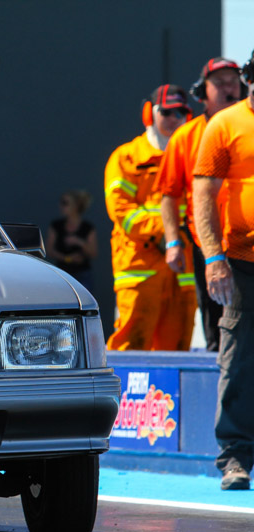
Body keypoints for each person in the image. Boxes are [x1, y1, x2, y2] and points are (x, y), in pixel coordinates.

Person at [192, 49, 254, 490]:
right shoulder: (225, 125)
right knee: (238, 360)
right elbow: (204, 195)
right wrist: (213, 258)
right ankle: (235, 457)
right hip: (242, 263)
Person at [155, 58, 244, 352]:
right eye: (219, 83)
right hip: (208, 245)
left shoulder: (248, 127)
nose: (228, 88)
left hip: (247, 240)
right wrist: (172, 242)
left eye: (233, 82)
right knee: (216, 321)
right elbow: (169, 194)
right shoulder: (185, 137)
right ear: (202, 92)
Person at [104, 84, 192, 351]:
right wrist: (167, 232)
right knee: (131, 343)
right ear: (148, 113)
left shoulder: (191, 158)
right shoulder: (126, 158)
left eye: (180, 113)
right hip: (139, 268)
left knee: (177, 348)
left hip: (181, 271)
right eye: (166, 112)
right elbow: (122, 212)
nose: (174, 119)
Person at [45, 190, 97, 293]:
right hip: (62, 274)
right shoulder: (56, 226)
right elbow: (49, 250)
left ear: (75, 206)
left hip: (83, 275)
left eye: (65, 203)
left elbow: (93, 253)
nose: (61, 206)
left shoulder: (88, 227)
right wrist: (67, 258)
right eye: (61, 202)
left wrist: (79, 242)